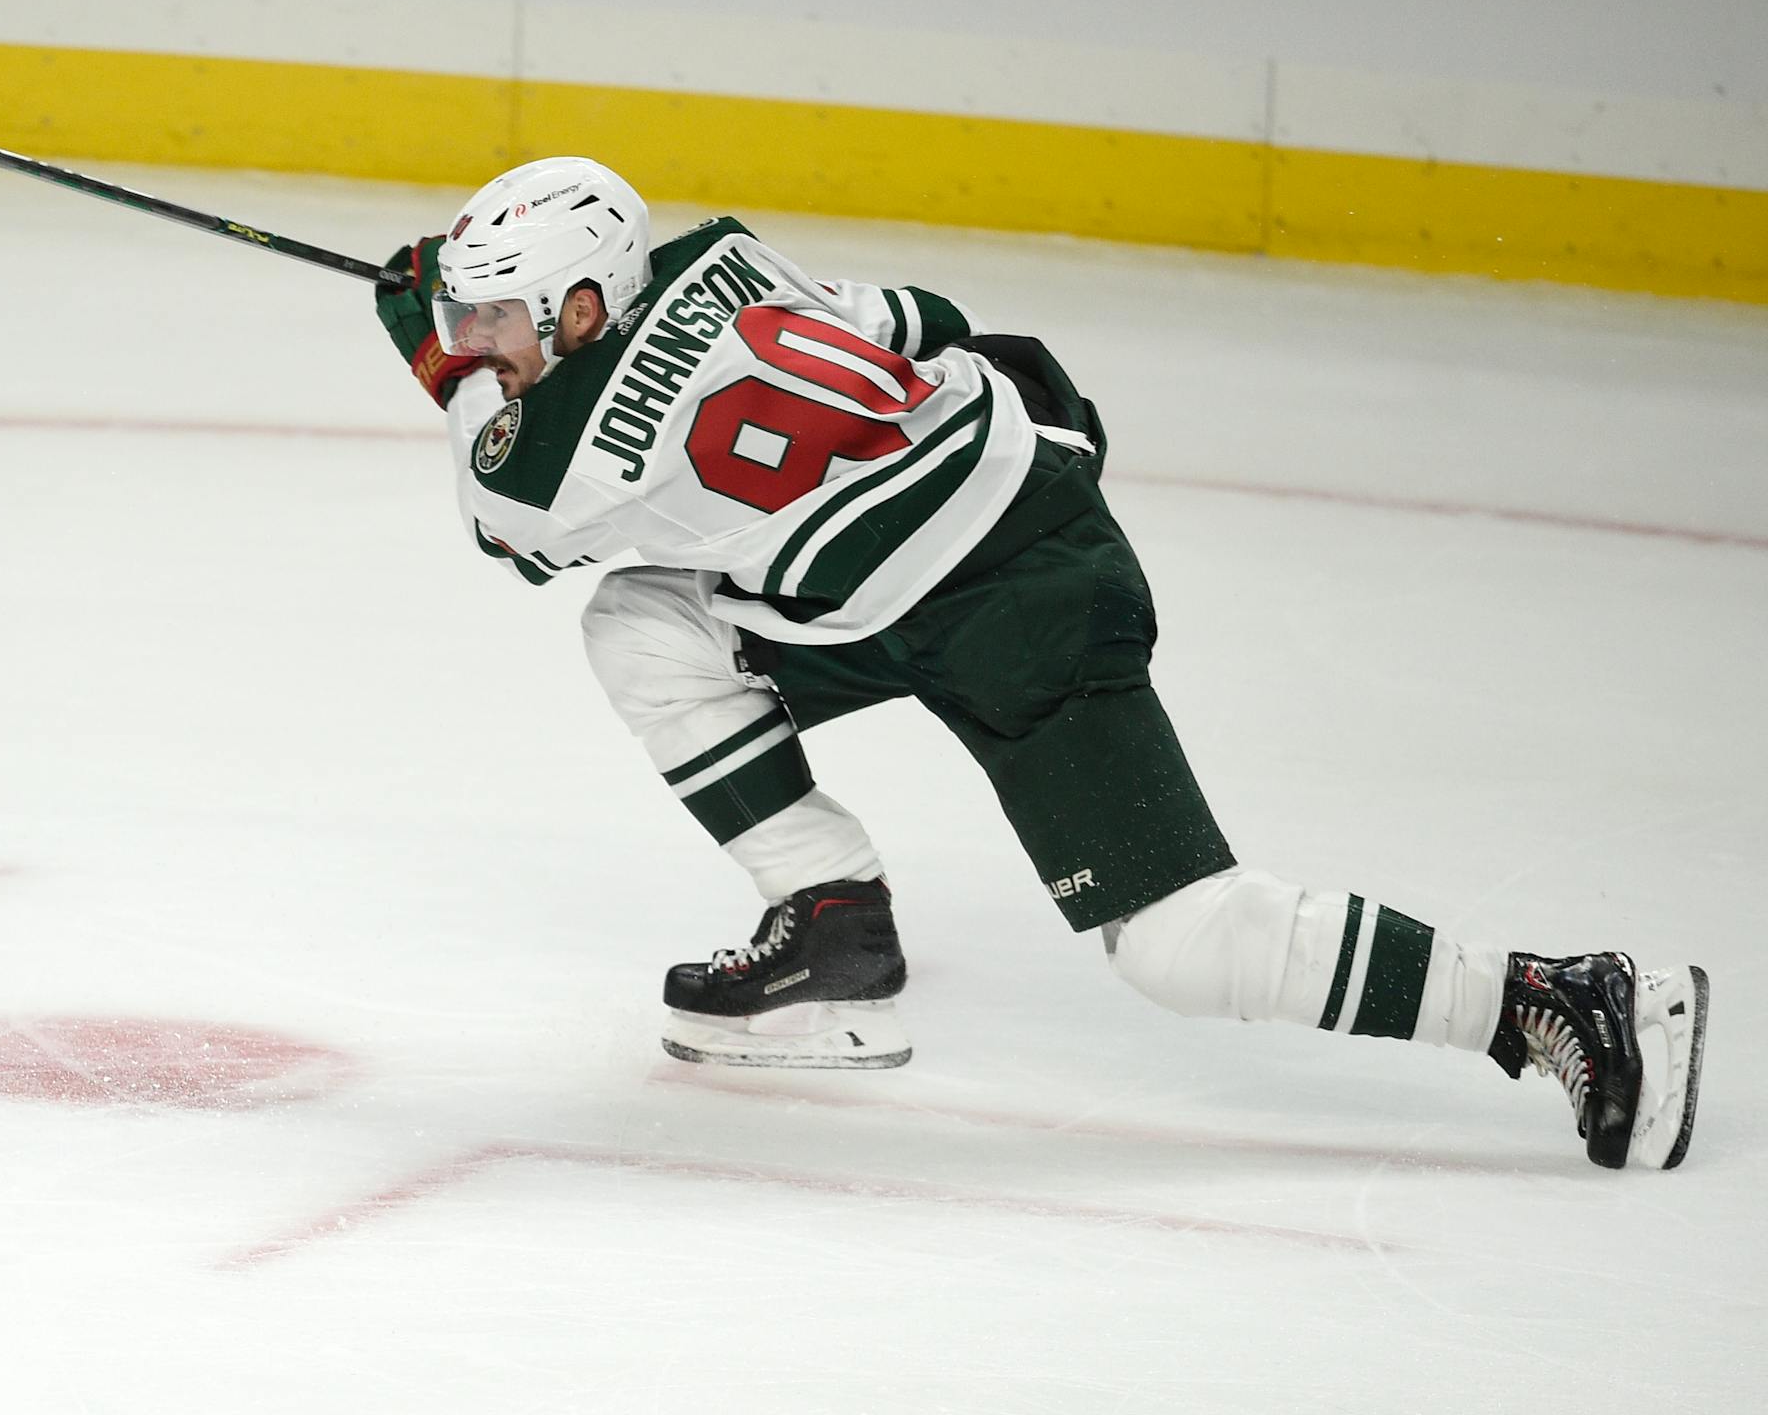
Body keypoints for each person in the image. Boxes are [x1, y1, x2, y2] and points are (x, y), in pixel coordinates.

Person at [372, 155, 1709, 1170]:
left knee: (1180, 940)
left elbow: (508, 511)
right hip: (953, 555)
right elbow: (929, 316)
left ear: (586, 300)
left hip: (1019, 612)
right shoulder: (721, 258)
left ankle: (1562, 1000)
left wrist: (437, 357)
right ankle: (832, 923)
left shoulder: (557, 461)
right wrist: (458, 305)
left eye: (497, 316)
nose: (479, 337)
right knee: (649, 623)